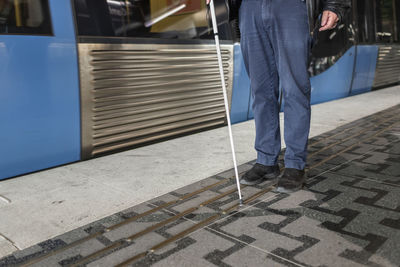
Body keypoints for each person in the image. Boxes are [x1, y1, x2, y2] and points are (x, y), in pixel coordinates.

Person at [207, 0, 350, 193]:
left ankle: (294, 164)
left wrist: (334, 6)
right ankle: (266, 160)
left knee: (294, 88)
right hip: (250, 9)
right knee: (260, 91)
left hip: (290, 7)